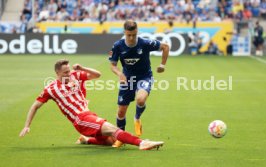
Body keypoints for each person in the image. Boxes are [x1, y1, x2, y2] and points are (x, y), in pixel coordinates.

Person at [19, 59, 164, 150]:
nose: (68, 74)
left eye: (69, 71)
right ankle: (142, 143)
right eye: (65, 73)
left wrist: (82, 68)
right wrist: (27, 125)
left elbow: (97, 75)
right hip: (80, 119)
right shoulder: (51, 89)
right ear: (57, 73)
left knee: (110, 141)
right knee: (112, 129)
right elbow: (35, 106)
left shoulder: (75, 75)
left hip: (88, 114)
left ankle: (86, 140)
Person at [109, 20, 169, 147]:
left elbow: (165, 47)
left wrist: (162, 65)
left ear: (137, 32)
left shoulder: (145, 43)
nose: (131, 38)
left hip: (144, 77)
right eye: (129, 35)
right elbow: (112, 65)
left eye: (134, 35)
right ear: (124, 32)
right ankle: (121, 137)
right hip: (127, 78)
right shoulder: (118, 46)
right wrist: (120, 74)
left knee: (140, 100)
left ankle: (137, 117)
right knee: (121, 112)